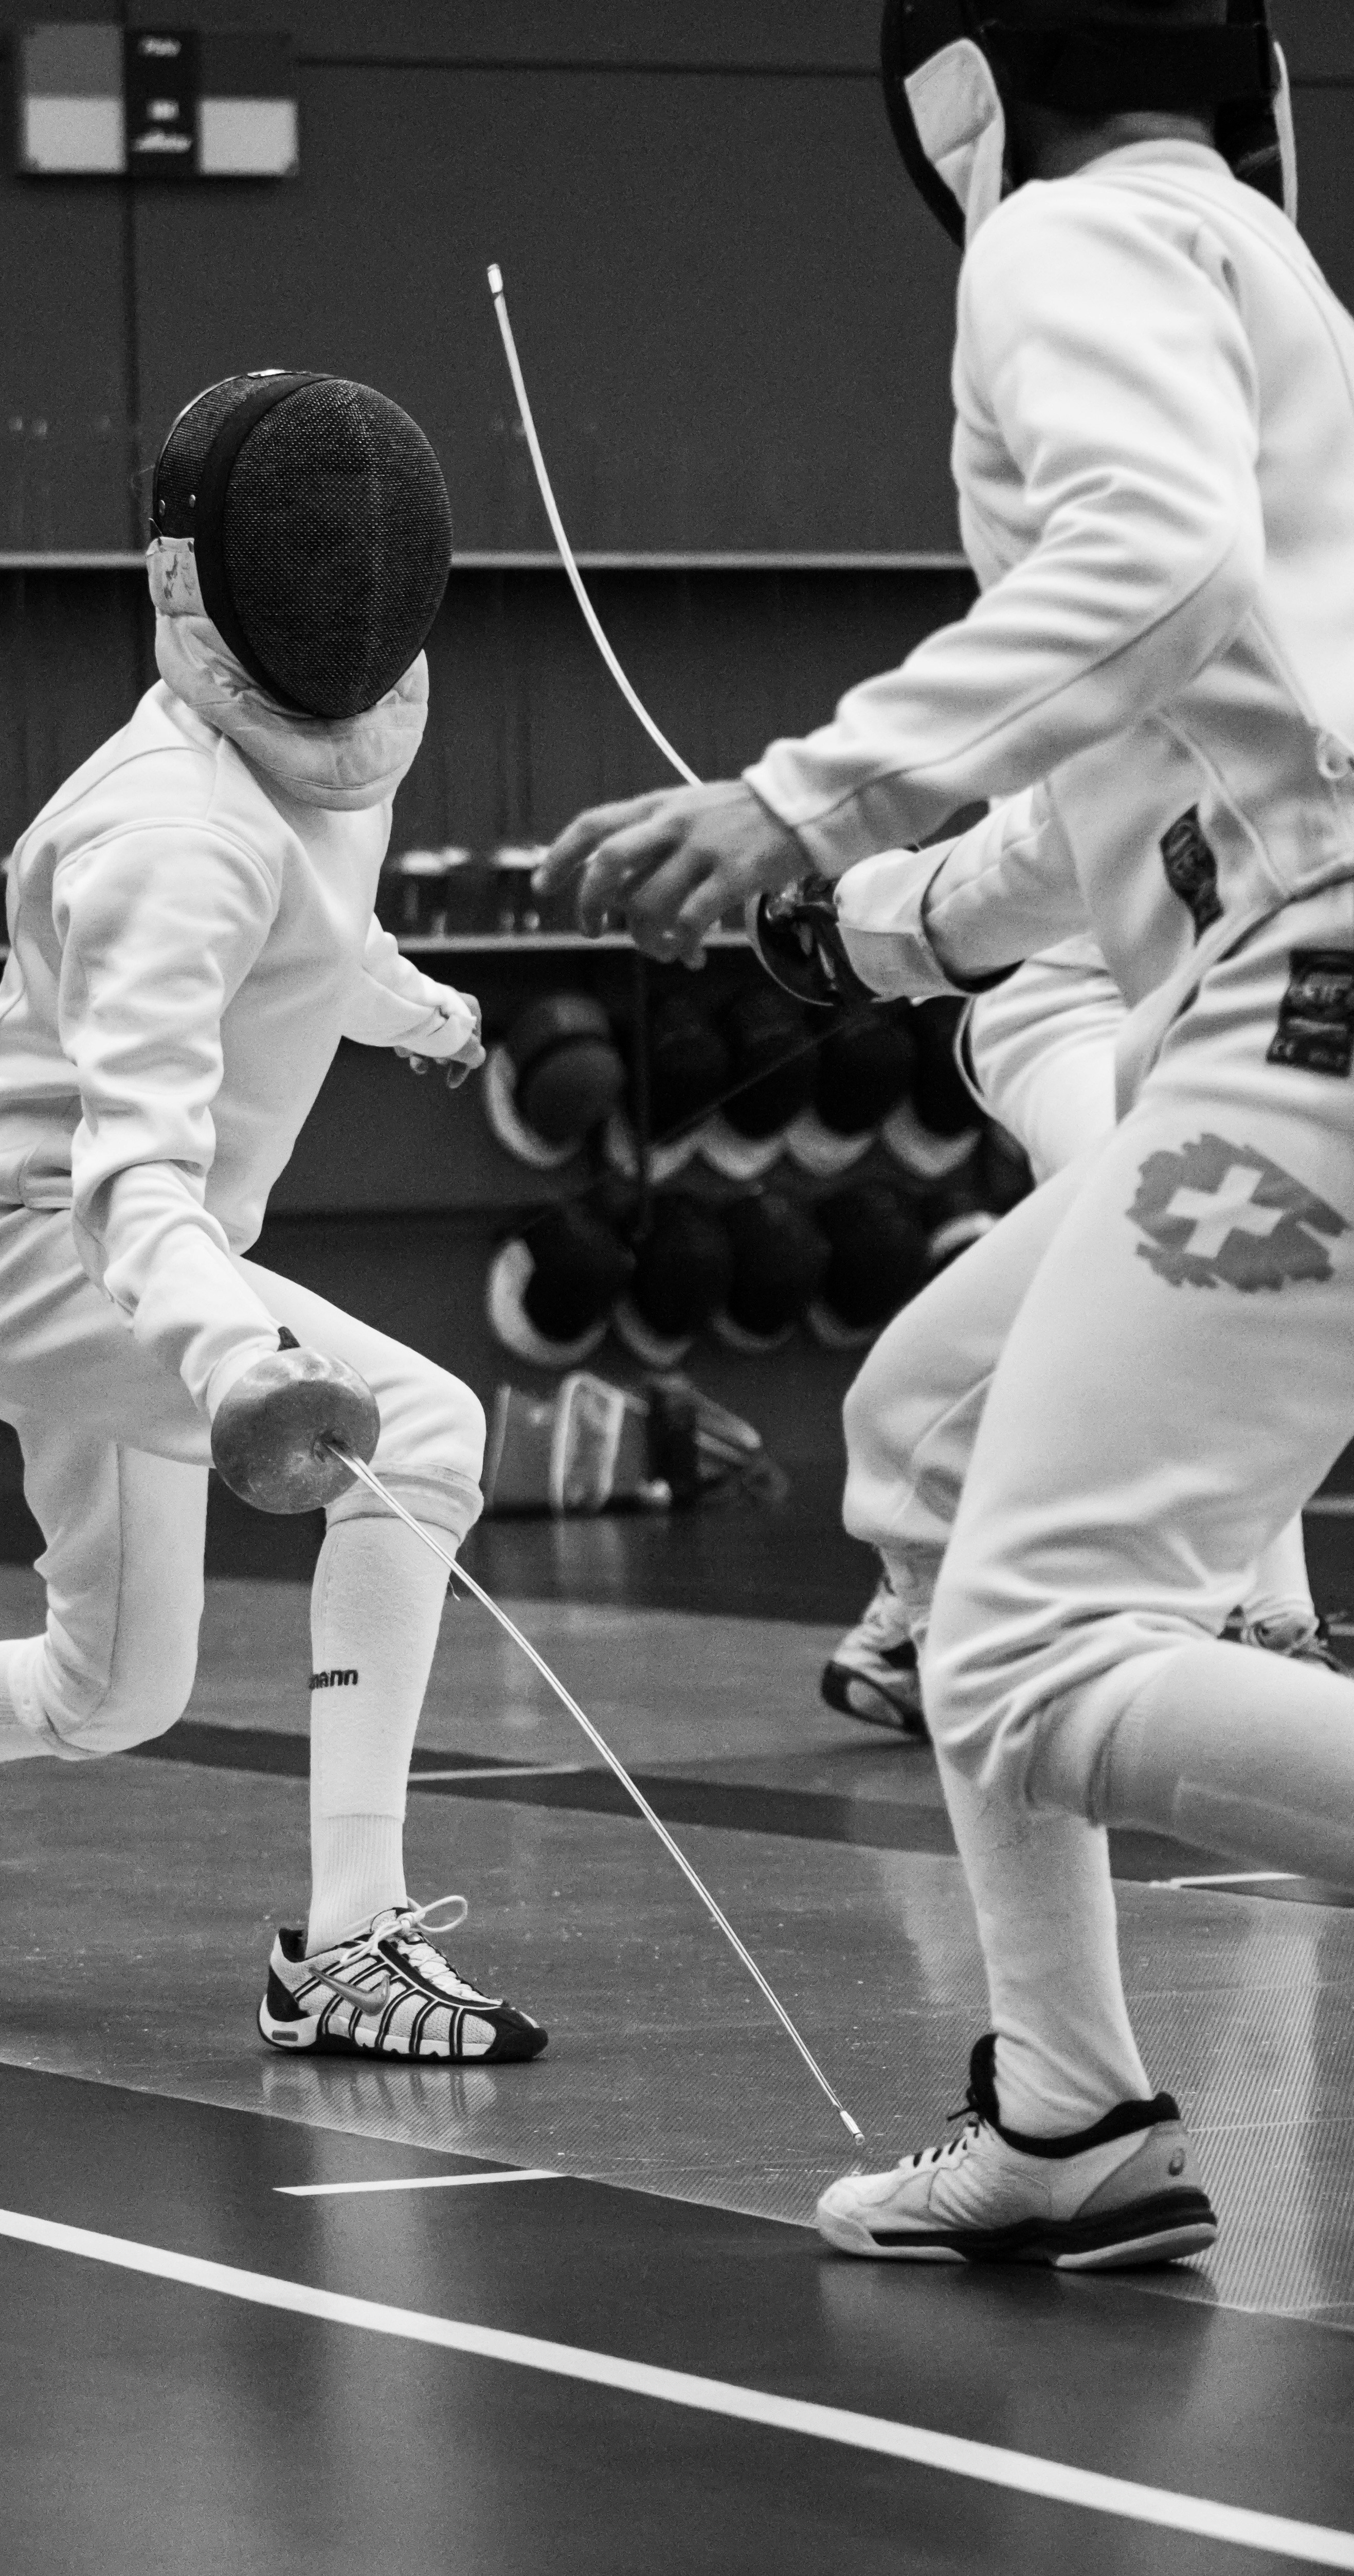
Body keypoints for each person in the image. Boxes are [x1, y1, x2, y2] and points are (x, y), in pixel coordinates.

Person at [539, 0, 1354, 2262]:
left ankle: (1076, 2108)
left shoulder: (1072, 244)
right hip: (1277, 1017)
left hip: (1323, 1022)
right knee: (920, 1445)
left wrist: (793, 792)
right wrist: (851, 918)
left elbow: (1154, 565)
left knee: (1024, 1649)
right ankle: (1069, 2107)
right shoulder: (1257, 275)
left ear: (960, 92)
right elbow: (1136, 779)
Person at [0, 371, 546, 2069]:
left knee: (110, 1691)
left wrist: (412, 1007)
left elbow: (306, 922)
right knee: (417, 1430)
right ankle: (348, 1951)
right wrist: (242, 1361)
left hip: (120, 1250)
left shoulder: (332, 744)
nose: (347, 574)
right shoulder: (160, 833)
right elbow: (135, 1181)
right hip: (37, 1243)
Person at [825, 935, 1344, 1739]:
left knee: (1095, 1323)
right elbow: (1019, 869)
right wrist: (872, 921)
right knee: (1225, 1240)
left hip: (1257, 1023)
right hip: (1079, 1002)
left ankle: (905, 1619)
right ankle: (1273, 1630)